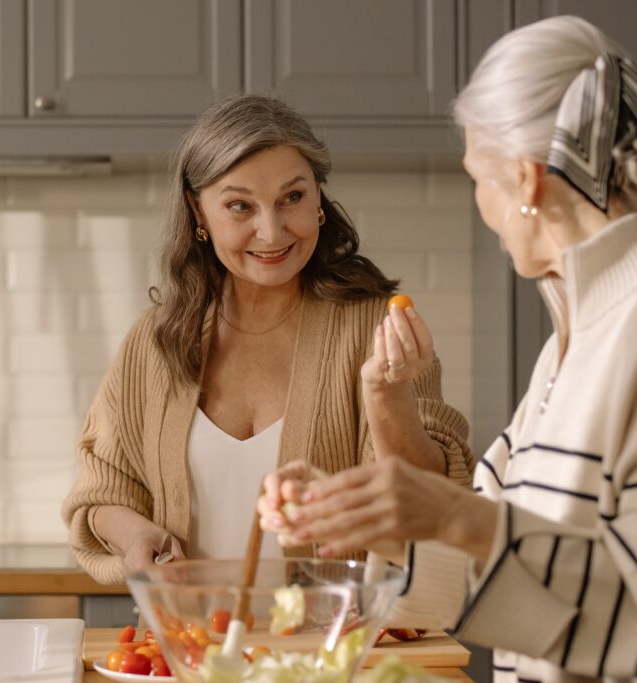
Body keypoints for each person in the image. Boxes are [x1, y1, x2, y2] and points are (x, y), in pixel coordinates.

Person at [259, 16, 637, 682]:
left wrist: (456, 514)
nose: (481, 205)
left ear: (525, 182)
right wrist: (360, 514)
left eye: (478, 179)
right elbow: (483, 568)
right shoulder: (571, 345)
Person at [61, 94, 474, 585]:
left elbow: (430, 498)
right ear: (198, 211)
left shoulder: (377, 329)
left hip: (331, 653)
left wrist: (389, 397)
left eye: (292, 198)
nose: (272, 230)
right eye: (240, 206)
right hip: (191, 651)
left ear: (318, 197)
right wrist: (134, 537)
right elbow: (101, 494)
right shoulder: (154, 343)